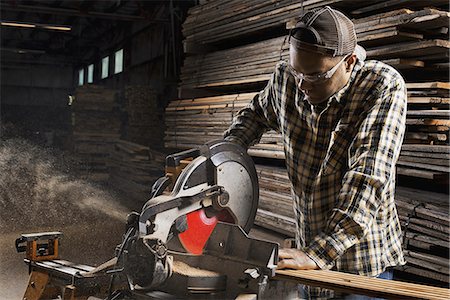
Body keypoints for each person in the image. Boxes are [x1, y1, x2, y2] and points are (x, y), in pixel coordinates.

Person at [224, 6, 406, 299]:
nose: (302, 84)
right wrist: (220, 159)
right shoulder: (288, 79)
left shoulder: (381, 86)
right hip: (308, 261)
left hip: (360, 267)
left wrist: (318, 253)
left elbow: (368, 177)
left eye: (315, 76)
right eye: (297, 71)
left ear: (348, 62)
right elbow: (254, 116)